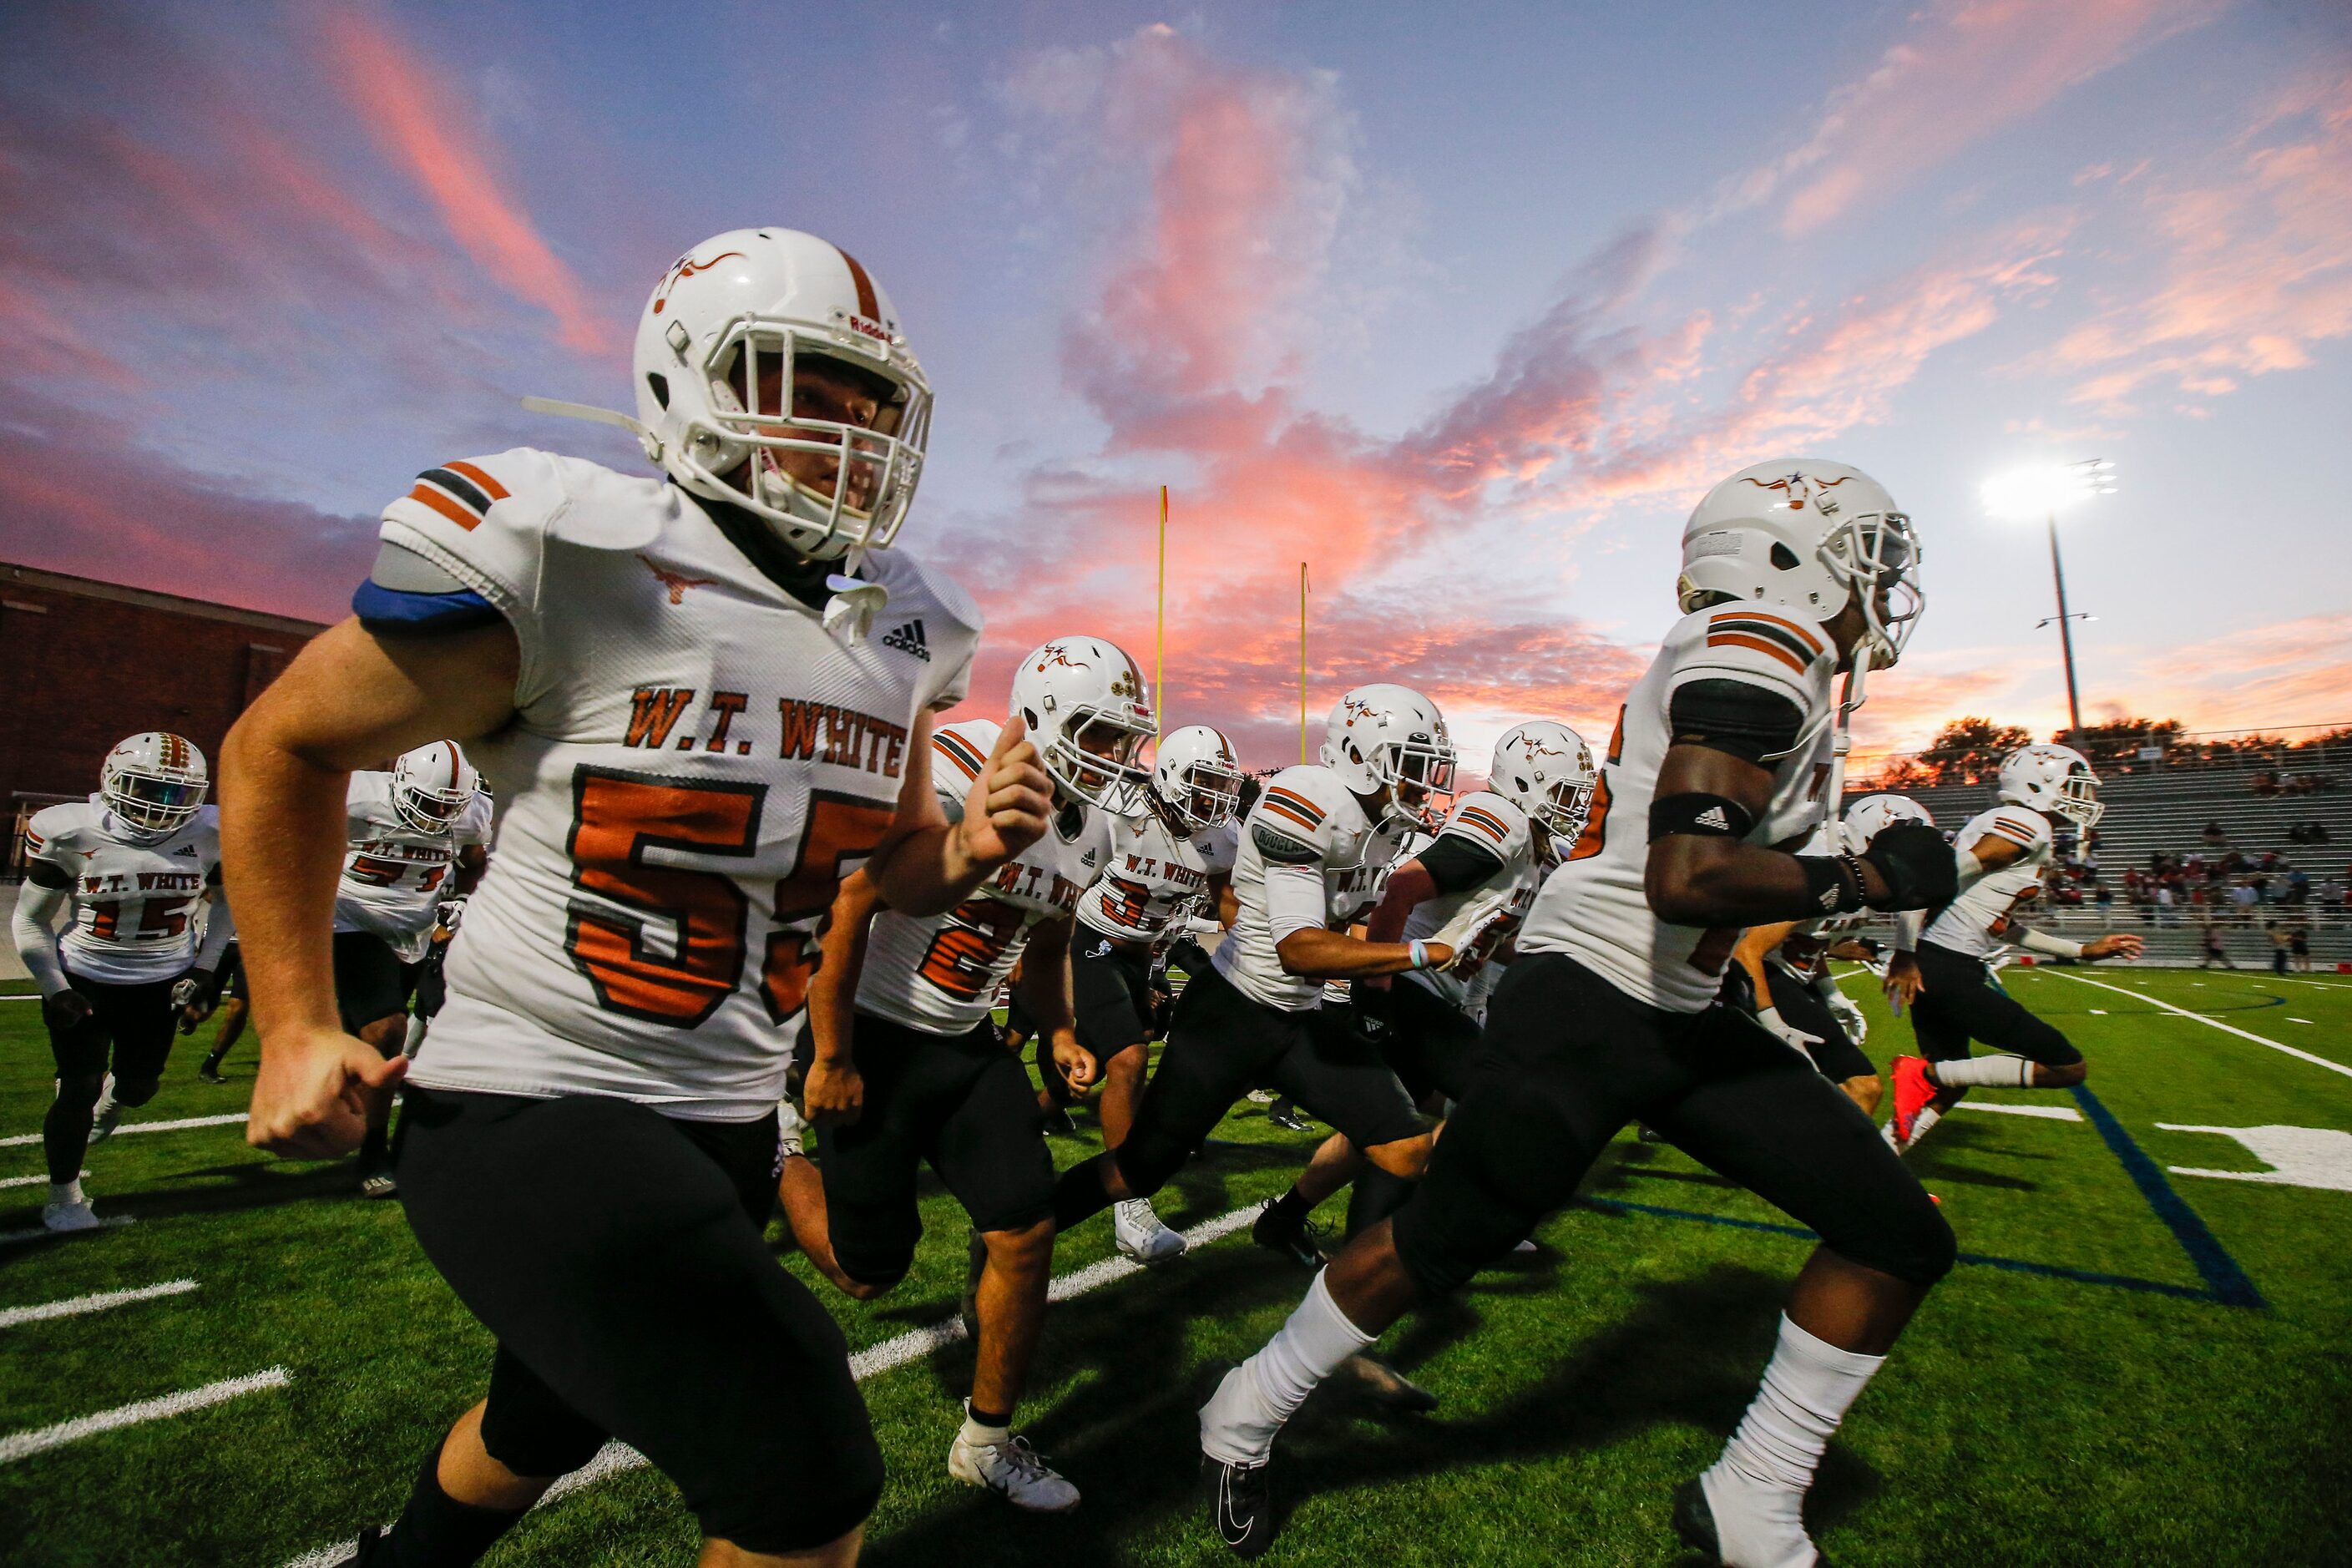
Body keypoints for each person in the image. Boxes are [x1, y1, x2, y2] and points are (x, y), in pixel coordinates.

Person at [227, 227, 1055, 1568]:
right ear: (689, 382)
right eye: (806, 381)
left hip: (721, 1113)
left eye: (871, 397)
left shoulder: (903, 624)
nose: (849, 424)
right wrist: (293, 1021)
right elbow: (285, 742)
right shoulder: (576, 549)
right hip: (531, 1093)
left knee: (538, 1421)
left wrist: (962, 853)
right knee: (804, 1469)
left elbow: (886, 862)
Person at [1198, 458, 1960, 1565]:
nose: (1883, 587)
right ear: (1801, 558)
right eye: (1872, 559)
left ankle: (1754, 1491)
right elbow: (1687, 878)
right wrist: (1867, 881)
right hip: (1592, 1002)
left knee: (1896, 1233)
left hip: (1674, 1005)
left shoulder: (1766, 662)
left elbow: (1717, 880)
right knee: (1432, 1244)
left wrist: (1836, 882)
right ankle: (1241, 1411)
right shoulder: (1763, 646)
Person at [774, 636, 1153, 1514]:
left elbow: (1050, 937)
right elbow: (848, 909)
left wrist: (1059, 1029)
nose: (1113, 759)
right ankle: (774, 1152)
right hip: (871, 1035)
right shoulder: (957, 769)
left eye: (1123, 740)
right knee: (869, 1274)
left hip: (965, 1043)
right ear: (1047, 718)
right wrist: (829, 1056)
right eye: (1098, 735)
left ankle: (985, 1440)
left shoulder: (1093, 823)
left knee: (1026, 1230)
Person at [1051, 686, 1466, 1261]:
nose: (1421, 785)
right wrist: (1420, 954)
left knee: (1404, 1145)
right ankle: (1021, 1232)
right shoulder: (1303, 799)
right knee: (1138, 1170)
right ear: (1360, 757)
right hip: (1231, 1013)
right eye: (1409, 767)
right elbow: (1297, 948)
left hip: (1299, 1017)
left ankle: (1336, 1286)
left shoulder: (1385, 826)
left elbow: (1337, 921)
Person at [13, 733, 233, 1232]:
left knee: (138, 1089)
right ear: (112, 781)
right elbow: (29, 920)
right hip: (87, 976)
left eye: (177, 795)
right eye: (146, 788)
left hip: (161, 981)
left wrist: (204, 967)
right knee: (77, 1087)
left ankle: (115, 1096)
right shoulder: (70, 833)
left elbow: (229, 904)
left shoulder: (213, 833)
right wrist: (54, 987)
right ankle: (64, 1197)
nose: (161, 806)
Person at [1884, 745, 2145, 1151]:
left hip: (1941, 964)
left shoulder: (2024, 826)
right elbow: (1932, 878)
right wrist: (1904, 950)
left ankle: (1884, 1158)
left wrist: (2082, 951)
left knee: (1952, 1085)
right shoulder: (2029, 822)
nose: (2082, 797)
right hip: (1947, 968)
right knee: (2068, 1066)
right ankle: (1926, 1075)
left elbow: (2000, 924)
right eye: (2073, 786)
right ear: (2041, 785)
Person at [1065, 721, 1246, 1263]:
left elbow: (1228, 908)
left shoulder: (1221, 839)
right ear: (1168, 775)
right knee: (1128, 1058)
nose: (1212, 797)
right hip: (1091, 938)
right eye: (1201, 781)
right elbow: (1065, 883)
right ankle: (1131, 1209)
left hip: (1147, 954)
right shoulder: (1117, 812)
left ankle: (1030, 1113)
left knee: (1112, 1061)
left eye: (1221, 784)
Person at [333, 741, 493, 1197]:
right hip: (349, 919)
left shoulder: (473, 813)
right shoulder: (356, 796)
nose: (436, 816)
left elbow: (472, 862)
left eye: (449, 806)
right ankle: (373, 1152)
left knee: (365, 1041)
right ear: (399, 784)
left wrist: (461, 899)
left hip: (416, 931)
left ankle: (353, 1105)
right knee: (388, 1031)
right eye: (428, 802)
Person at [1729, 793, 1931, 1117]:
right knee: (1861, 1087)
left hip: (1785, 974)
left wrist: (1831, 993)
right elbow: (1746, 950)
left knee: (1823, 1089)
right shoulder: (1824, 870)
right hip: (1756, 974)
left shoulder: (1856, 875)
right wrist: (1773, 1022)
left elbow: (1809, 942)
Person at [194, 940, 250, 1082]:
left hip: (251, 944)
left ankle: (210, 1066)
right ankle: (189, 1018)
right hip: (221, 943)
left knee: (239, 1008)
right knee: (200, 1014)